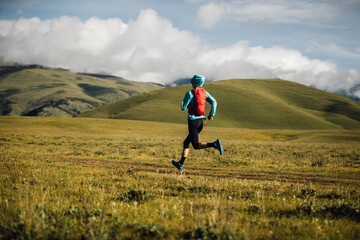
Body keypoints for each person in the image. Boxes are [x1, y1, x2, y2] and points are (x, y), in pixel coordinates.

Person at [172, 74, 223, 171]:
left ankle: (214, 144)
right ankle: (180, 164)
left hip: (193, 121)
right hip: (201, 122)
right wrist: (211, 114)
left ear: (194, 82)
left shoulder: (190, 93)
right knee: (186, 142)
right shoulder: (205, 93)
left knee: (195, 145)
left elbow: (183, 107)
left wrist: (189, 105)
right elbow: (214, 102)